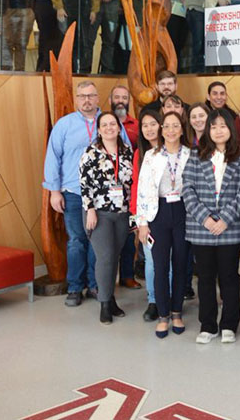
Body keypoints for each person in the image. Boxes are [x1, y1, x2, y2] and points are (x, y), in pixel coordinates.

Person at [182, 109, 240, 344]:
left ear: (231, 130)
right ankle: (208, 324)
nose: (218, 130)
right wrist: (205, 218)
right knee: (204, 278)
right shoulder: (196, 155)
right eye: (214, 126)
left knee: (229, 277)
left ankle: (229, 324)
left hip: (230, 228)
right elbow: (187, 189)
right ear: (208, 130)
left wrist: (225, 218)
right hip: (201, 228)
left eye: (223, 126)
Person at [43, 80, 100, 306]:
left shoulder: (107, 123)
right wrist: (54, 191)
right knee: (76, 241)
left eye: (91, 95)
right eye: (82, 96)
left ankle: (94, 285)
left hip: (101, 195)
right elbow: (52, 157)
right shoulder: (64, 125)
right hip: (73, 192)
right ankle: (75, 287)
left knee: (97, 242)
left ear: (97, 98)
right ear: (77, 99)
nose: (87, 100)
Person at [135, 111, 191, 338]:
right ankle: (163, 315)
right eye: (166, 126)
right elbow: (142, 190)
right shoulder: (151, 155)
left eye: (175, 126)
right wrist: (142, 223)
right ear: (161, 129)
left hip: (183, 212)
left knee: (180, 265)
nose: (170, 130)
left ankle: (177, 312)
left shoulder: (191, 154)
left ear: (181, 128)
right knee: (160, 266)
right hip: (157, 213)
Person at [79, 111, 134, 324]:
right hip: (98, 213)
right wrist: (90, 209)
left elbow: (131, 184)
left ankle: (110, 299)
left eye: (113, 124)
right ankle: (103, 303)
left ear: (119, 128)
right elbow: (84, 184)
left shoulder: (127, 151)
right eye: (105, 125)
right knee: (105, 257)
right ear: (99, 130)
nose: (110, 127)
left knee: (115, 257)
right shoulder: (91, 153)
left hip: (121, 213)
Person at [128, 110, 163, 321]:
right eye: (145, 125)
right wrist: (138, 220)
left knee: (167, 261)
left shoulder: (172, 151)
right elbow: (135, 189)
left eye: (153, 124)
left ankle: (166, 298)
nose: (149, 129)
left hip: (169, 214)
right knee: (151, 260)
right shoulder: (139, 154)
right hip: (147, 217)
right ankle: (153, 301)